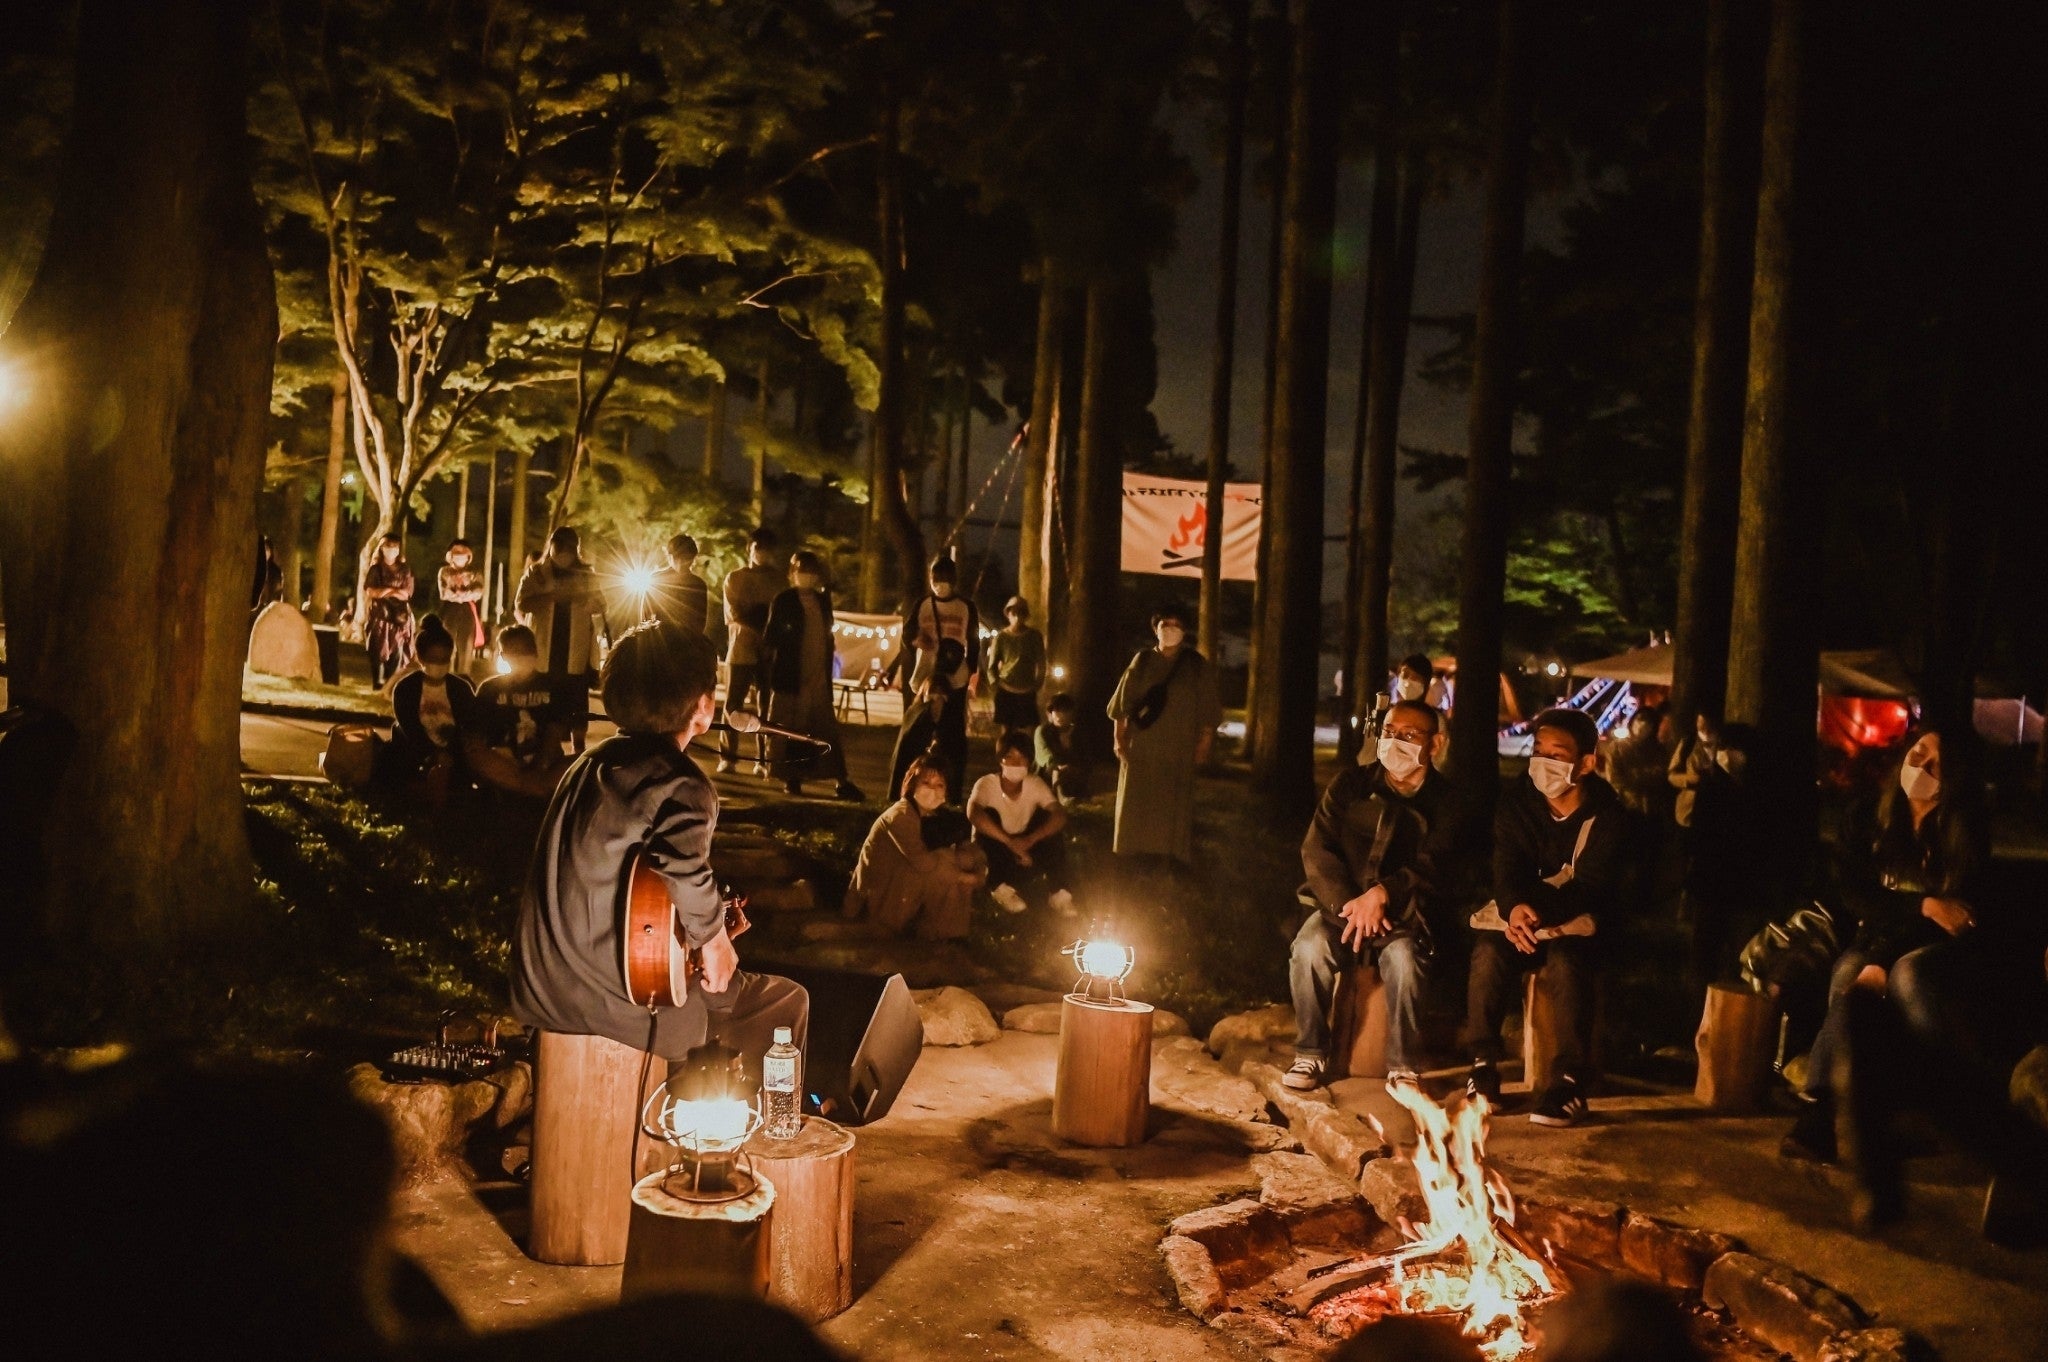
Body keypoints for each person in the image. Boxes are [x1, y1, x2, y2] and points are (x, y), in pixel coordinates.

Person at [510, 621, 808, 1075]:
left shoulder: (585, 766)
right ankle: (746, 1117)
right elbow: (684, 868)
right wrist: (714, 940)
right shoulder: (680, 783)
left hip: (540, 993)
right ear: (704, 708)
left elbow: (634, 890)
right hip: (621, 1011)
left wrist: (700, 929)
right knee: (784, 1001)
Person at [1782, 727, 1989, 1168]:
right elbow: (1859, 896)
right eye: (1919, 753)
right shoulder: (1867, 817)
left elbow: (1954, 921)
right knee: (1848, 972)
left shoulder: (1962, 832)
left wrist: (1884, 957)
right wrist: (1924, 905)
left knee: (1906, 976)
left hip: (1935, 949)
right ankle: (1829, 1105)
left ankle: (1879, 1108)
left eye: (1937, 764)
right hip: (1875, 935)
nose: (1922, 766)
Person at [1462, 707, 1627, 1128]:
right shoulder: (1517, 804)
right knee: (1488, 953)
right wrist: (1515, 909)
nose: (1543, 762)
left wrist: (1538, 916)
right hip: (1524, 921)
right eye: (1538, 751)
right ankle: (1482, 1066)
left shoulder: (1608, 814)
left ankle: (1569, 1082)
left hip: (1578, 926)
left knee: (1569, 961)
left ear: (1585, 763)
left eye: (1557, 755)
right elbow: (1506, 867)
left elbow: (1593, 886)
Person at [1284, 698, 1453, 1092]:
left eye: (1409, 735)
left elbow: (1438, 862)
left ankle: (1403, 1065)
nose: (1395, 742)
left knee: (1405, 962)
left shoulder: (1447, 801)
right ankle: (1309, 1052)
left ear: (1435, 744)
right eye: (1389, 732)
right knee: (1308, 950)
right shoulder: (1350, 785)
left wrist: (1384, 895)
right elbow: (1317, 849)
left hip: (1404, 916)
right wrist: (1350, 904)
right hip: (1341, 911)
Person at [1107, 603, 1222, 864]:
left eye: (1176, 625)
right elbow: (1122, 704)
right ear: (1155, 629)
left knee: (1173, 798)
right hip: (1143, 743)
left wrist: (1204, 743)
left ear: (1185, 630)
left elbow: (1208, 708)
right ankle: (1132, 852)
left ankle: (1169, 855)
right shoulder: (1143, 661)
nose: (1170, 629)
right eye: (1165, 624)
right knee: (1137, 796)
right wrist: (1118, 738)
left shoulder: (1195, 665)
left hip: (1179, 745)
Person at [843, 756, 987, 941]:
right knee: (946, 864)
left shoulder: (935, 815)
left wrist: (978, 868)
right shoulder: (900, 815)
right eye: (926, 783)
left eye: (939, 785)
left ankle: (949, 935)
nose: (932, 790)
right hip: (875, 900)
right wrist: (967, 877)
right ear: (912, 784)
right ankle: (941, 934)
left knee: (960, 860)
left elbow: (970, 848)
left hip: (903, 886)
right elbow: (924, 863)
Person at [759, 550, 862, 801]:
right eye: (801, 570)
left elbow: (827, 635)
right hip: (790, 677)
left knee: (825, 730)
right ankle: (791, 777)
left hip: (818, 677)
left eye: (811, 571)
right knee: (789, 729)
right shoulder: (784, 600)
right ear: (792, 573)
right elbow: (771, 637)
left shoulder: (822, 601)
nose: (807, 575)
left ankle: (841, 779)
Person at [889, 557, 982, 788]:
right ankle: (908, 783)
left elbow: (974, 641)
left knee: (952, 737)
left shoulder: (966, 606)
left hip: (955, 679)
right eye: (936, 579)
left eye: (945, 579)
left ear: (954, 580)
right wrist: (917, 640)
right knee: (916, 733)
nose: (940, 584)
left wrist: (969, 670)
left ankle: (951, 788)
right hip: (925, 678)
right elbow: (907, 633)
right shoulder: (922, 604)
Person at [515, 527, 605, 754]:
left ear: (576, 549)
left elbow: (601, 605)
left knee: (576, 702)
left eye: (569, 548)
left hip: (575, 649)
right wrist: (551, 597)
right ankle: (547, 749)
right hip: (545, 650)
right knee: (545, 702)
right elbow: (522, 603)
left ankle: (578, 750)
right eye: (559, 547)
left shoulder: (587, 574)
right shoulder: (537, 572)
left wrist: (583, 599)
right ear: (551, 546)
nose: (564, 552)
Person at [968, 731, 1074, 916]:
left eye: (1022, 757)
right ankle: (999, 887)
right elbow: (973, 813)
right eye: (1010, 757)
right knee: (989, 815)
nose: (1016, 763)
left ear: (1029, 761)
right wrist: (1010, 843)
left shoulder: (1035, 783)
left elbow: (1059, 814)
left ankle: (1059, 893)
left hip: (1026, 848)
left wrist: (1030, 840)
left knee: (1048, 820)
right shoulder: (987, 784)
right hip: (996, 851)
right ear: (1000, 760)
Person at [464, 624, 572, 797]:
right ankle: (533, 789)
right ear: (503, 655)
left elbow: (555, 732)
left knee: (579, 764)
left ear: (535, 652)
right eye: (514, 651)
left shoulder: (553, 687)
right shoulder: (490, 688)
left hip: (546, 766)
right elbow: (476, 736)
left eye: (525, 650)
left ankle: (521, 787)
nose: (520, 655)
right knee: (477, 757)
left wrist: (540, 766)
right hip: (504, 764)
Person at [388, 615, 477, 799]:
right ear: (421, 658)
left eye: (444, 659)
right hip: (416, 751)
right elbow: (409, 728)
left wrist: (450, 753)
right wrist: (433, 753)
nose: (439, 664)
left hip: (453, 755)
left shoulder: (461, 689)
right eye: (433, 659)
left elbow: (467, 727)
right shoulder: (406, 688)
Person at [719, 527, 783, 773]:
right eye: (758, 547)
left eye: (767, 549)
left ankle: (763, 759)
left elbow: (782, 615)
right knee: (733, 704)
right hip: (741, 649)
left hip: (769, 652)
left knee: (766, 707)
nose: (762, 553)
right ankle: (728, 757)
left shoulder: (779, 580)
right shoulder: (735, 578)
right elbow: (735, 613)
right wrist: (763, 626)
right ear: (750, 548)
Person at [888, 638, 972, 801]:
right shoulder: (917, 714)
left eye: (941, 695)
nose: (937, 699)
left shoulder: (951, 717)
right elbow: (905, 752)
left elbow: (956, 753)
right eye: (933, 695)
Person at [982, 596, 1046, 733]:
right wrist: (995, 685)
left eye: (1021, 613)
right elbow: (991, 666)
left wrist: (1037, 684)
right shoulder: (1001, 637)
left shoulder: (1034, 636)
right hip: (1006, 689)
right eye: (1014, 613)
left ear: (1026, 615)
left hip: (1027, 690)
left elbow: (1041, 663)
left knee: (1029, 731)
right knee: (1006, 732)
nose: (1017, 616)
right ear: (1008, 614)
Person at [362, 533, 416, 689]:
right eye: (387, 546)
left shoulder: (405, 570)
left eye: (394, 547)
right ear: (381, 548)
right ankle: (378, 685)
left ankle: (392, 686)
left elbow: (406, 593)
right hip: (379, 617)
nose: (391, 550)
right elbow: (371, 591)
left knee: (397, 652)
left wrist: (386, 591)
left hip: (399, 618)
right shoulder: (375, 569)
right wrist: (392, 591)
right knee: (377, 651)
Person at [437, 539, 487, 677]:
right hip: (449, 612)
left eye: (463, 553)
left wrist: (460, 594)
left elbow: (478, 592)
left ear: (468, 556)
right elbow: (444, 593)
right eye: (456, 553)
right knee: (447, 645)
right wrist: (464, 595)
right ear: (450, 555)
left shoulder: (475, 572)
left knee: (466, 647)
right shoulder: (445, 572)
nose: (460, 556)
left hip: (467, 612)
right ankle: (444, 676)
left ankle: (464, 678)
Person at [646, 532, 710, 636]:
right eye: (679, 558)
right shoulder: (657, 580)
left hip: (687, 640)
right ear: (670, 556)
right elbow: (646, 616)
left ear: (693, 558)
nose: (682, 563)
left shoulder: (698, 584)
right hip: (661, 638)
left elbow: (700, 622)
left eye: (687, 558)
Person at [1034, 693, 1088, 804]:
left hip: (1071, 769)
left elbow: (1084, 755)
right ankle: (1061, 796)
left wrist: (1074, 766)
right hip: (1049, 771)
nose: (1060, 716)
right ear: (1050, 713)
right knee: (1056, 770)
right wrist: (1057, 765)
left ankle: (1074, 793)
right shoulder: (1043, 731)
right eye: (1057, 711)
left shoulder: (1077, 732)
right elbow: (1044, 754)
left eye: (1065, 711)